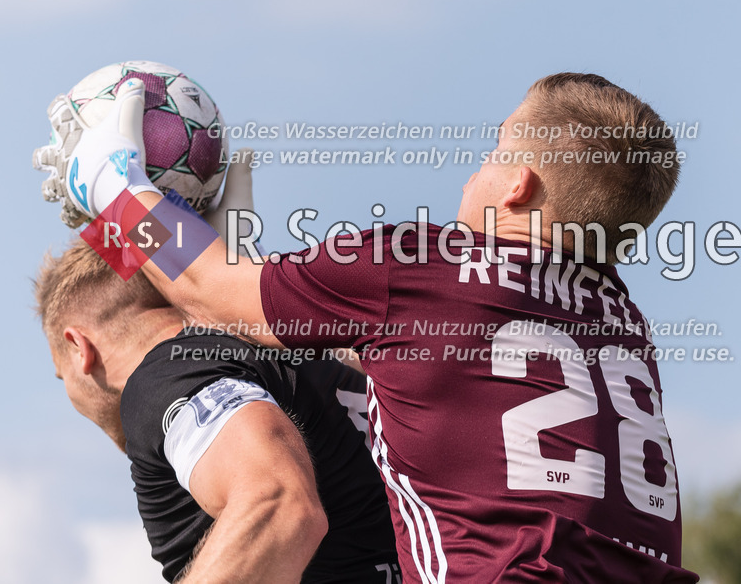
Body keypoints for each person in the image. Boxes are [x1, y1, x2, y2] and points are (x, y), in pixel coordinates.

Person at [35, 72, 698, 582]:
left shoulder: (422, 266)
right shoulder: (622, 326)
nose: (476, 169)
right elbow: (390, 359)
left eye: (492, 152)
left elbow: (211, 294)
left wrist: (112, 184)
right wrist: (243, 262)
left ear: (518, 185)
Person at [33, 238, 400, 583]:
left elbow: (277, 504)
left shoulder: (165, 377)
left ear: (79, 348)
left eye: (58, 374)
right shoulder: (313, 355)